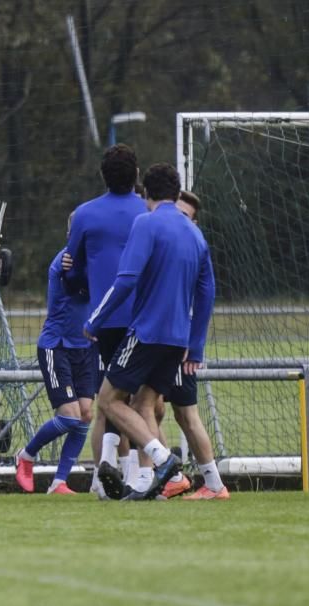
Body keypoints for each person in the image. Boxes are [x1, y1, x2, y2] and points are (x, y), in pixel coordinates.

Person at [84, 163, 215, 501]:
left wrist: (95, 321)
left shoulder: (146, 223)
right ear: (175, 192)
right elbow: (207, 292)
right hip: (178, 340)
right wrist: (195, 345)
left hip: (146, 333)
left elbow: (125, 280)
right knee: (145, 403)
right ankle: (145, 479)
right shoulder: (194, 233)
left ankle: (161, 458)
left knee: (109, 400)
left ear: (147, 194)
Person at [62, 144, 148, 499]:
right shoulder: (148, 212)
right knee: (141, 403)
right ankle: (134, 475)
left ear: (102, 175)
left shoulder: (84, 214)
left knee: (111, 401)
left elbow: (73, 271)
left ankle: (109, 475)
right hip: (146, 320)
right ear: (137, 174)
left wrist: (83, 280)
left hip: (105, 321)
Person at [14, 216, 95, 495]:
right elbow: (81, 283)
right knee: (70, 416)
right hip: (56, 346)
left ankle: (60, 481)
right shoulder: (65, 261)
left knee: (85, 415)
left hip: (85, 347)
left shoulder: (94, 261)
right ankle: (26, 455)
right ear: (70, 232)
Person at [157, 190, 229, 500]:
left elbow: (206, 296)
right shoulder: (173, 245)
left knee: (185, 414)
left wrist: (194, 346)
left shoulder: (195, 249)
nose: (179, 221)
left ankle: (210, 484)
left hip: (179, 346)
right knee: (153, 409)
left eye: (185, 217)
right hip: (165, 340)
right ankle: (166, 474)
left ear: (194, 222)